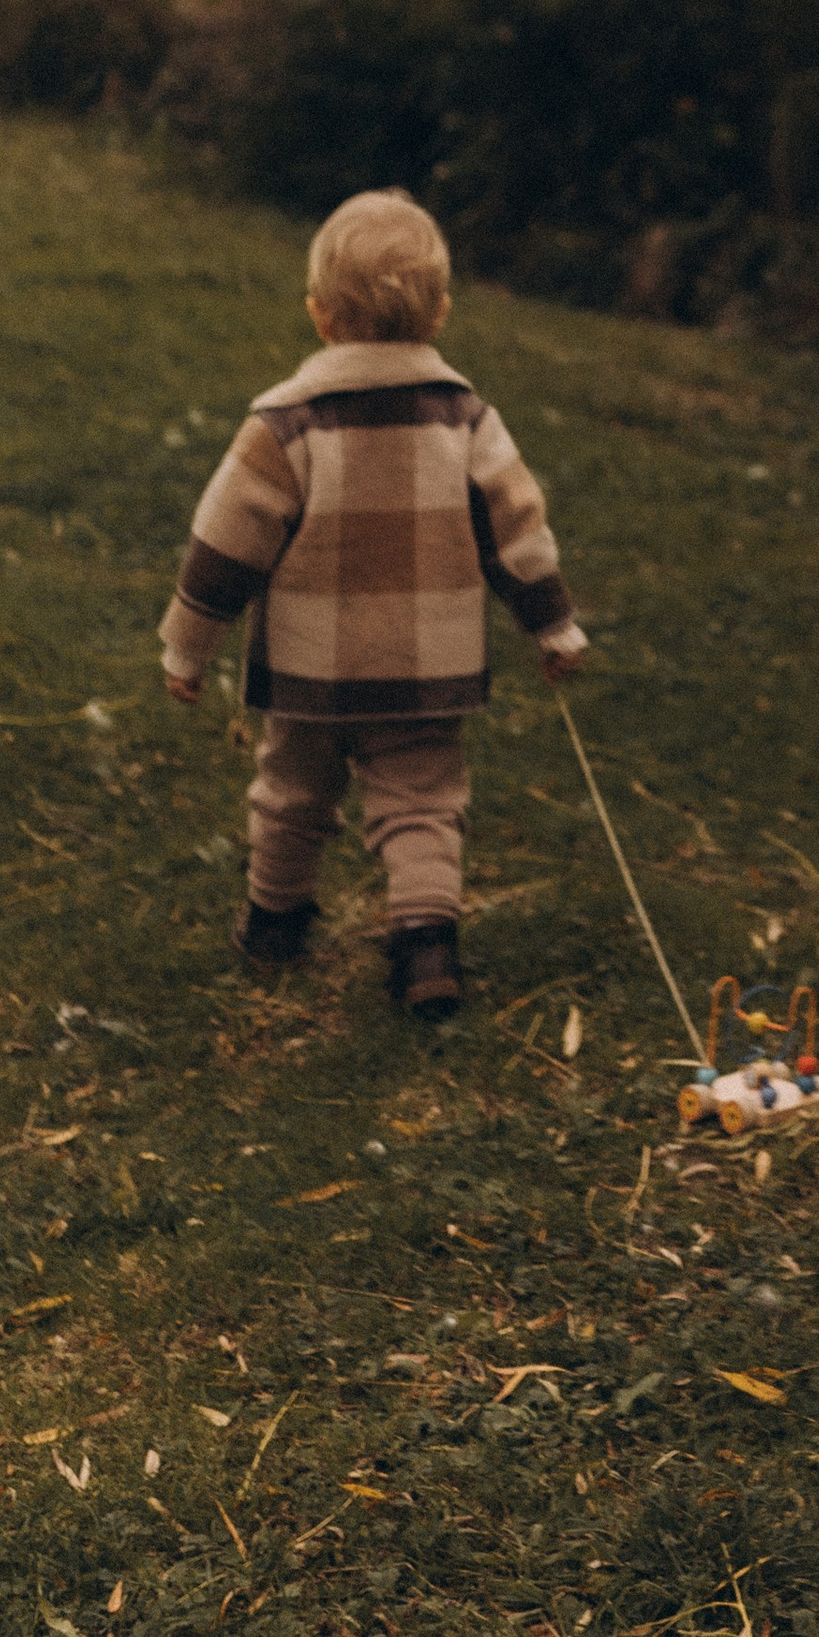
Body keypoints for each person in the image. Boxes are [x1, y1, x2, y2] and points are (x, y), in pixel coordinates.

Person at [159, 187, 585, 1020]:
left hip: (309, 671)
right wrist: (553, 623)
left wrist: (187, 647)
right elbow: (517, 531)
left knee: (291, 791)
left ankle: (275, 924)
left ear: (320, 316)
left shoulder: (286, 426)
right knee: (423, 800)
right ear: (442, 314)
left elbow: (224, 543)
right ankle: (426, 945)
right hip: (428, 666)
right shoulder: (466, 422)